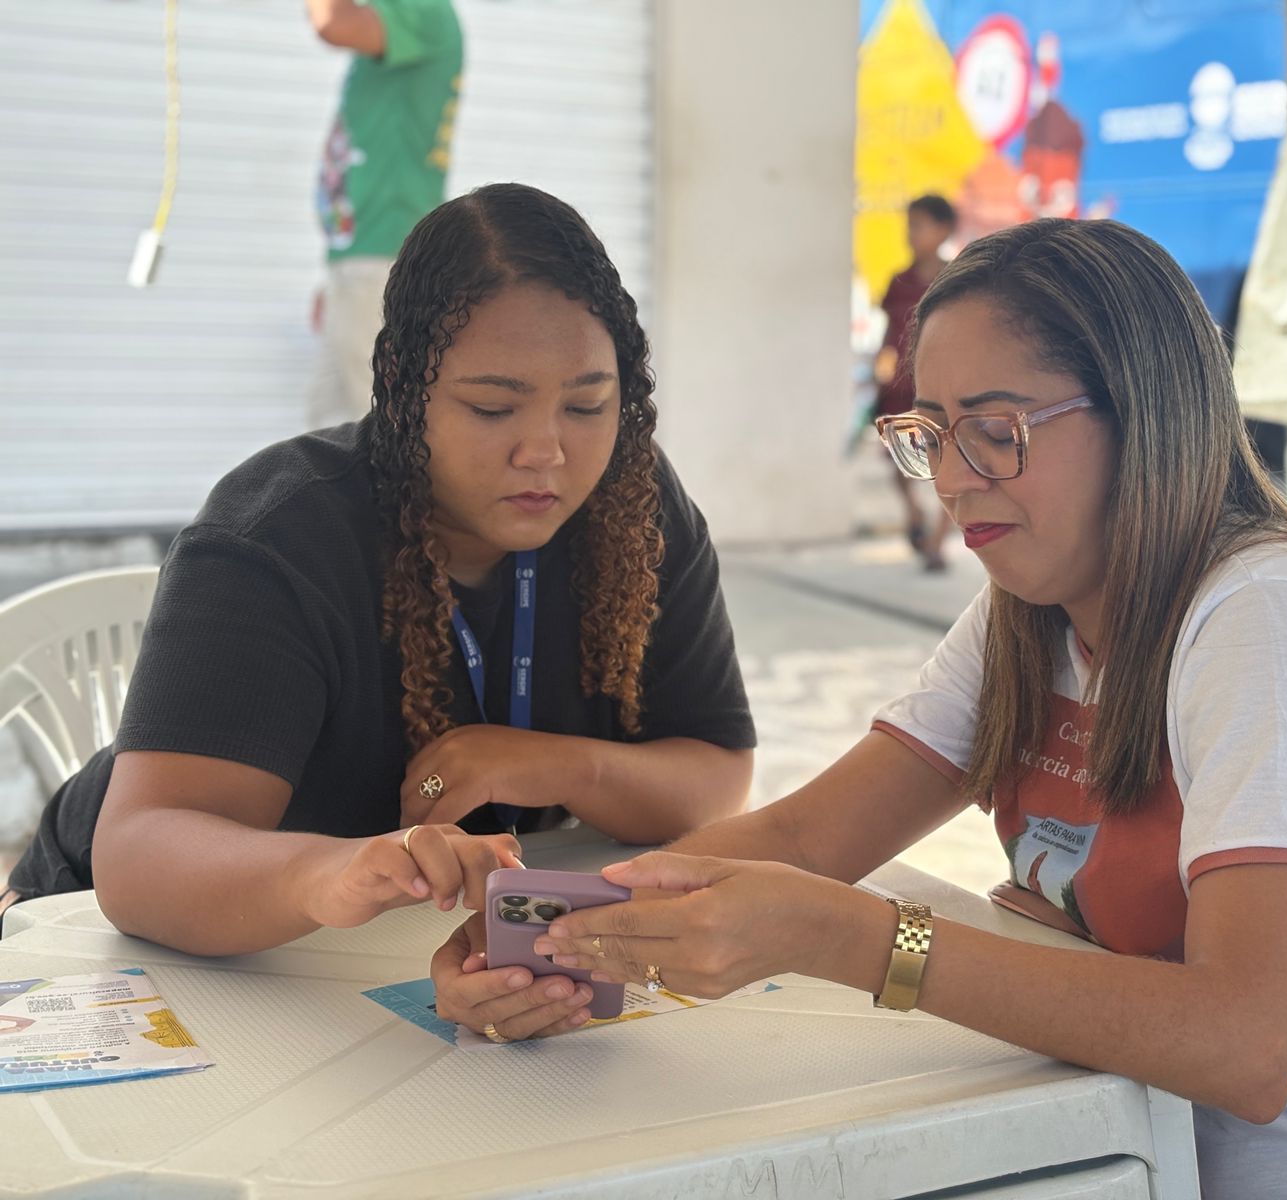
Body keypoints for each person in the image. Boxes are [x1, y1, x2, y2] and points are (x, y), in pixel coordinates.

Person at [433, 218, 1287, 1197]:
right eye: (931, 433)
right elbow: (799, 841)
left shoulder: (1266, 618)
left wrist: (849, 937)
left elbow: (1242, 1043)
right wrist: (529, 932)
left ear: (1143, 413)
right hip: (1160, 1155)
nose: (956, 477)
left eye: (996, 429)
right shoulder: (1029, 610)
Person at [2, 185, 756, 974]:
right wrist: (331, 871)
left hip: (385, 953)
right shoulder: (279, 534)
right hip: (117, 946)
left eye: (588, 404)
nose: (546, 452)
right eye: (493, 408)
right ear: (403, 385)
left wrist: (540, 760)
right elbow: (141, 859)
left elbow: (715, 777)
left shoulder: (631, 508)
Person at [306, 0, 463, 428]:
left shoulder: (423, 11)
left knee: (373, 435)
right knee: (331, 435)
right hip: (364, 257)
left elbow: (332, 22)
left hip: (381, 260)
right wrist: (338, 270)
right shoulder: (398, 19)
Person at [873, 194, 958, 571]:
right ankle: (915, 516)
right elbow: (888, 335)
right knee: (898, 458)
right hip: (902, 388)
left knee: (949, 462)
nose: (911, 234)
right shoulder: (899, 282)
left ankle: (937, 543)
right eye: (909, 225)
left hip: (943, 387)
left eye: (919, 225)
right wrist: (882, 368)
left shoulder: (957, 280)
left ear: (944, 230)